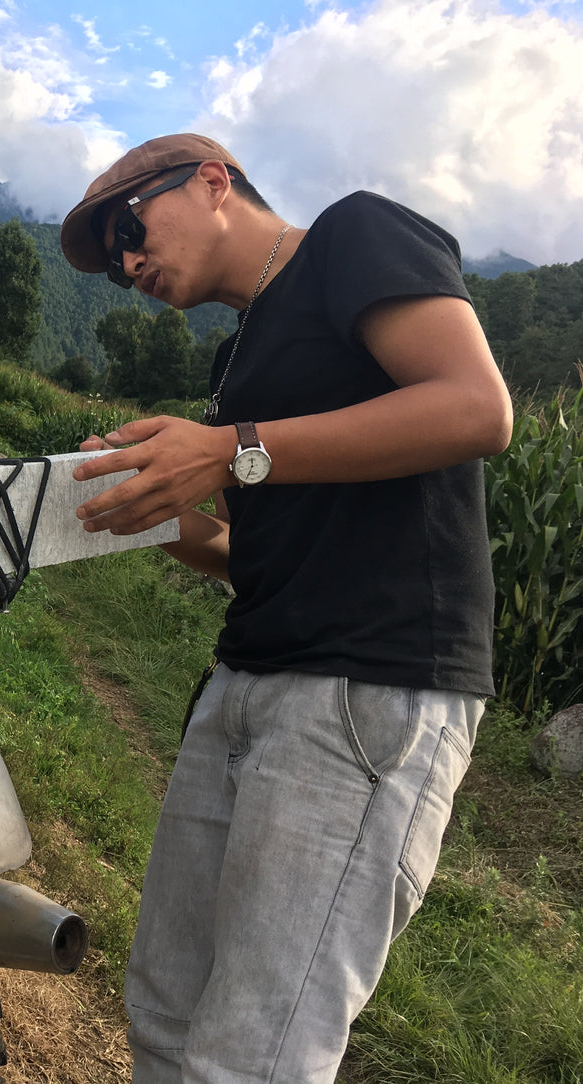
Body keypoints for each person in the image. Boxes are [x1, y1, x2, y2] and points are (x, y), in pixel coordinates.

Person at [59, 134, 512, 1082]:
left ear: (214, 181)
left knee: (253, 1052)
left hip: (365, 690)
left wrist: (226, 450)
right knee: (164, 1011)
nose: (127, 262)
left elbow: (476, 409)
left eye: (129, 229)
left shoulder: (353, 236)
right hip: (247, 681)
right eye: (111, 261)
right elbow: (251, 555)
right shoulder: (238, 357)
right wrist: (141, 507)